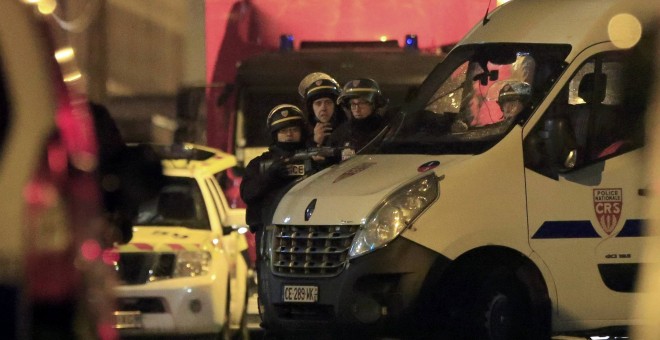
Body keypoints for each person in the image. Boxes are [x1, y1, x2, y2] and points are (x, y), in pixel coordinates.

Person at [240, 104, 310, 237]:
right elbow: (247, 194)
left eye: (294, 129)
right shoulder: (259, 164)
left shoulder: (313, 159)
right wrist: (269, 175)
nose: (289, 134)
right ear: (274, 134)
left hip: (305, 228)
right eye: (283, 131)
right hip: (269, 229)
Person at [330, 78, 389, 159]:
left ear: (374, 104)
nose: (357, 109)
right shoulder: (340, 133)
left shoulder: (386, 129)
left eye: (362, 103)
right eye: (353, 104)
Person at [298, 72, 346, 147]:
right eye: (318, 103)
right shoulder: (303, 134)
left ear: (336, 106)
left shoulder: (348, 130)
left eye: (328, 102)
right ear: (311, 108)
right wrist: (315, 142)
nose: (323, 108)